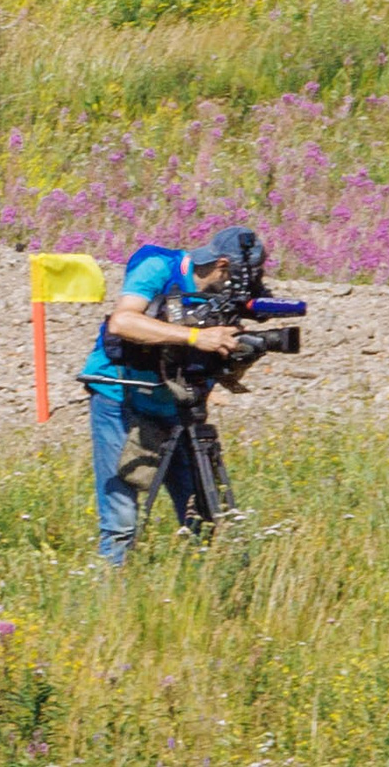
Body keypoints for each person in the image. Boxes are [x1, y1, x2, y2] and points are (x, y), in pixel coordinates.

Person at [80, 225, 264, 565]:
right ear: (222, 266)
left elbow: (222, 373)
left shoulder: (226, 301)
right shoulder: (158, 267)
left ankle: (215, 583)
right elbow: (122, 322)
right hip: (121, 396)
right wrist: (195, 337)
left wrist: (240, 355)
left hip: (180, 404)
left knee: (202, 514)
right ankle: (110, 584)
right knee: (121, 518)